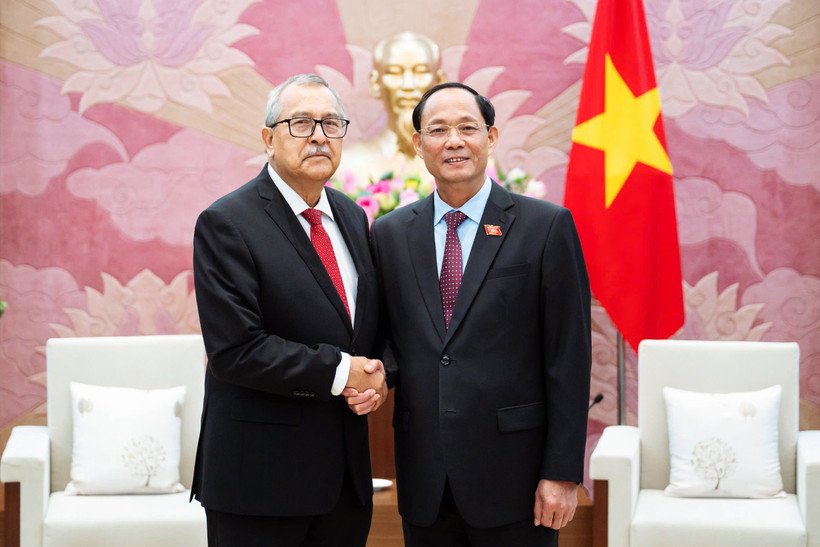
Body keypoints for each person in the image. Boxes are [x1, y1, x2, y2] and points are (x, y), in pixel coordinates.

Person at [360, 82, 592, 546]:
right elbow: (388, 338)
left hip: (517, 479)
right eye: (438, 130)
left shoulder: (545, 226)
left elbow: (569, 357)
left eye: (468, 127)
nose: (453, 141)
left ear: (491, 136)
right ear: (417, 144)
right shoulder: (389, 234)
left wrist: (562, 473)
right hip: (425, 477)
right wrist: (374, 375)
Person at [191, 73, 387, 547]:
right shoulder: (227, 222)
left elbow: (366, 329)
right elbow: (235, 350)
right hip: (260, 483)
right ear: (268, 138)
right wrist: (343, 373)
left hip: (344, 483)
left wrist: (379, 376)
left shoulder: (351, 214)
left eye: (331, 123)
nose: (319, 135)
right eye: (300, 123)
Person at [335, 32, 446, 185]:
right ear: (375, 83)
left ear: (439, 82)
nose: (408, 85)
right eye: (394, 72)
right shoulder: (347, 165)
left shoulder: (464, 165)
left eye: (420, 72)